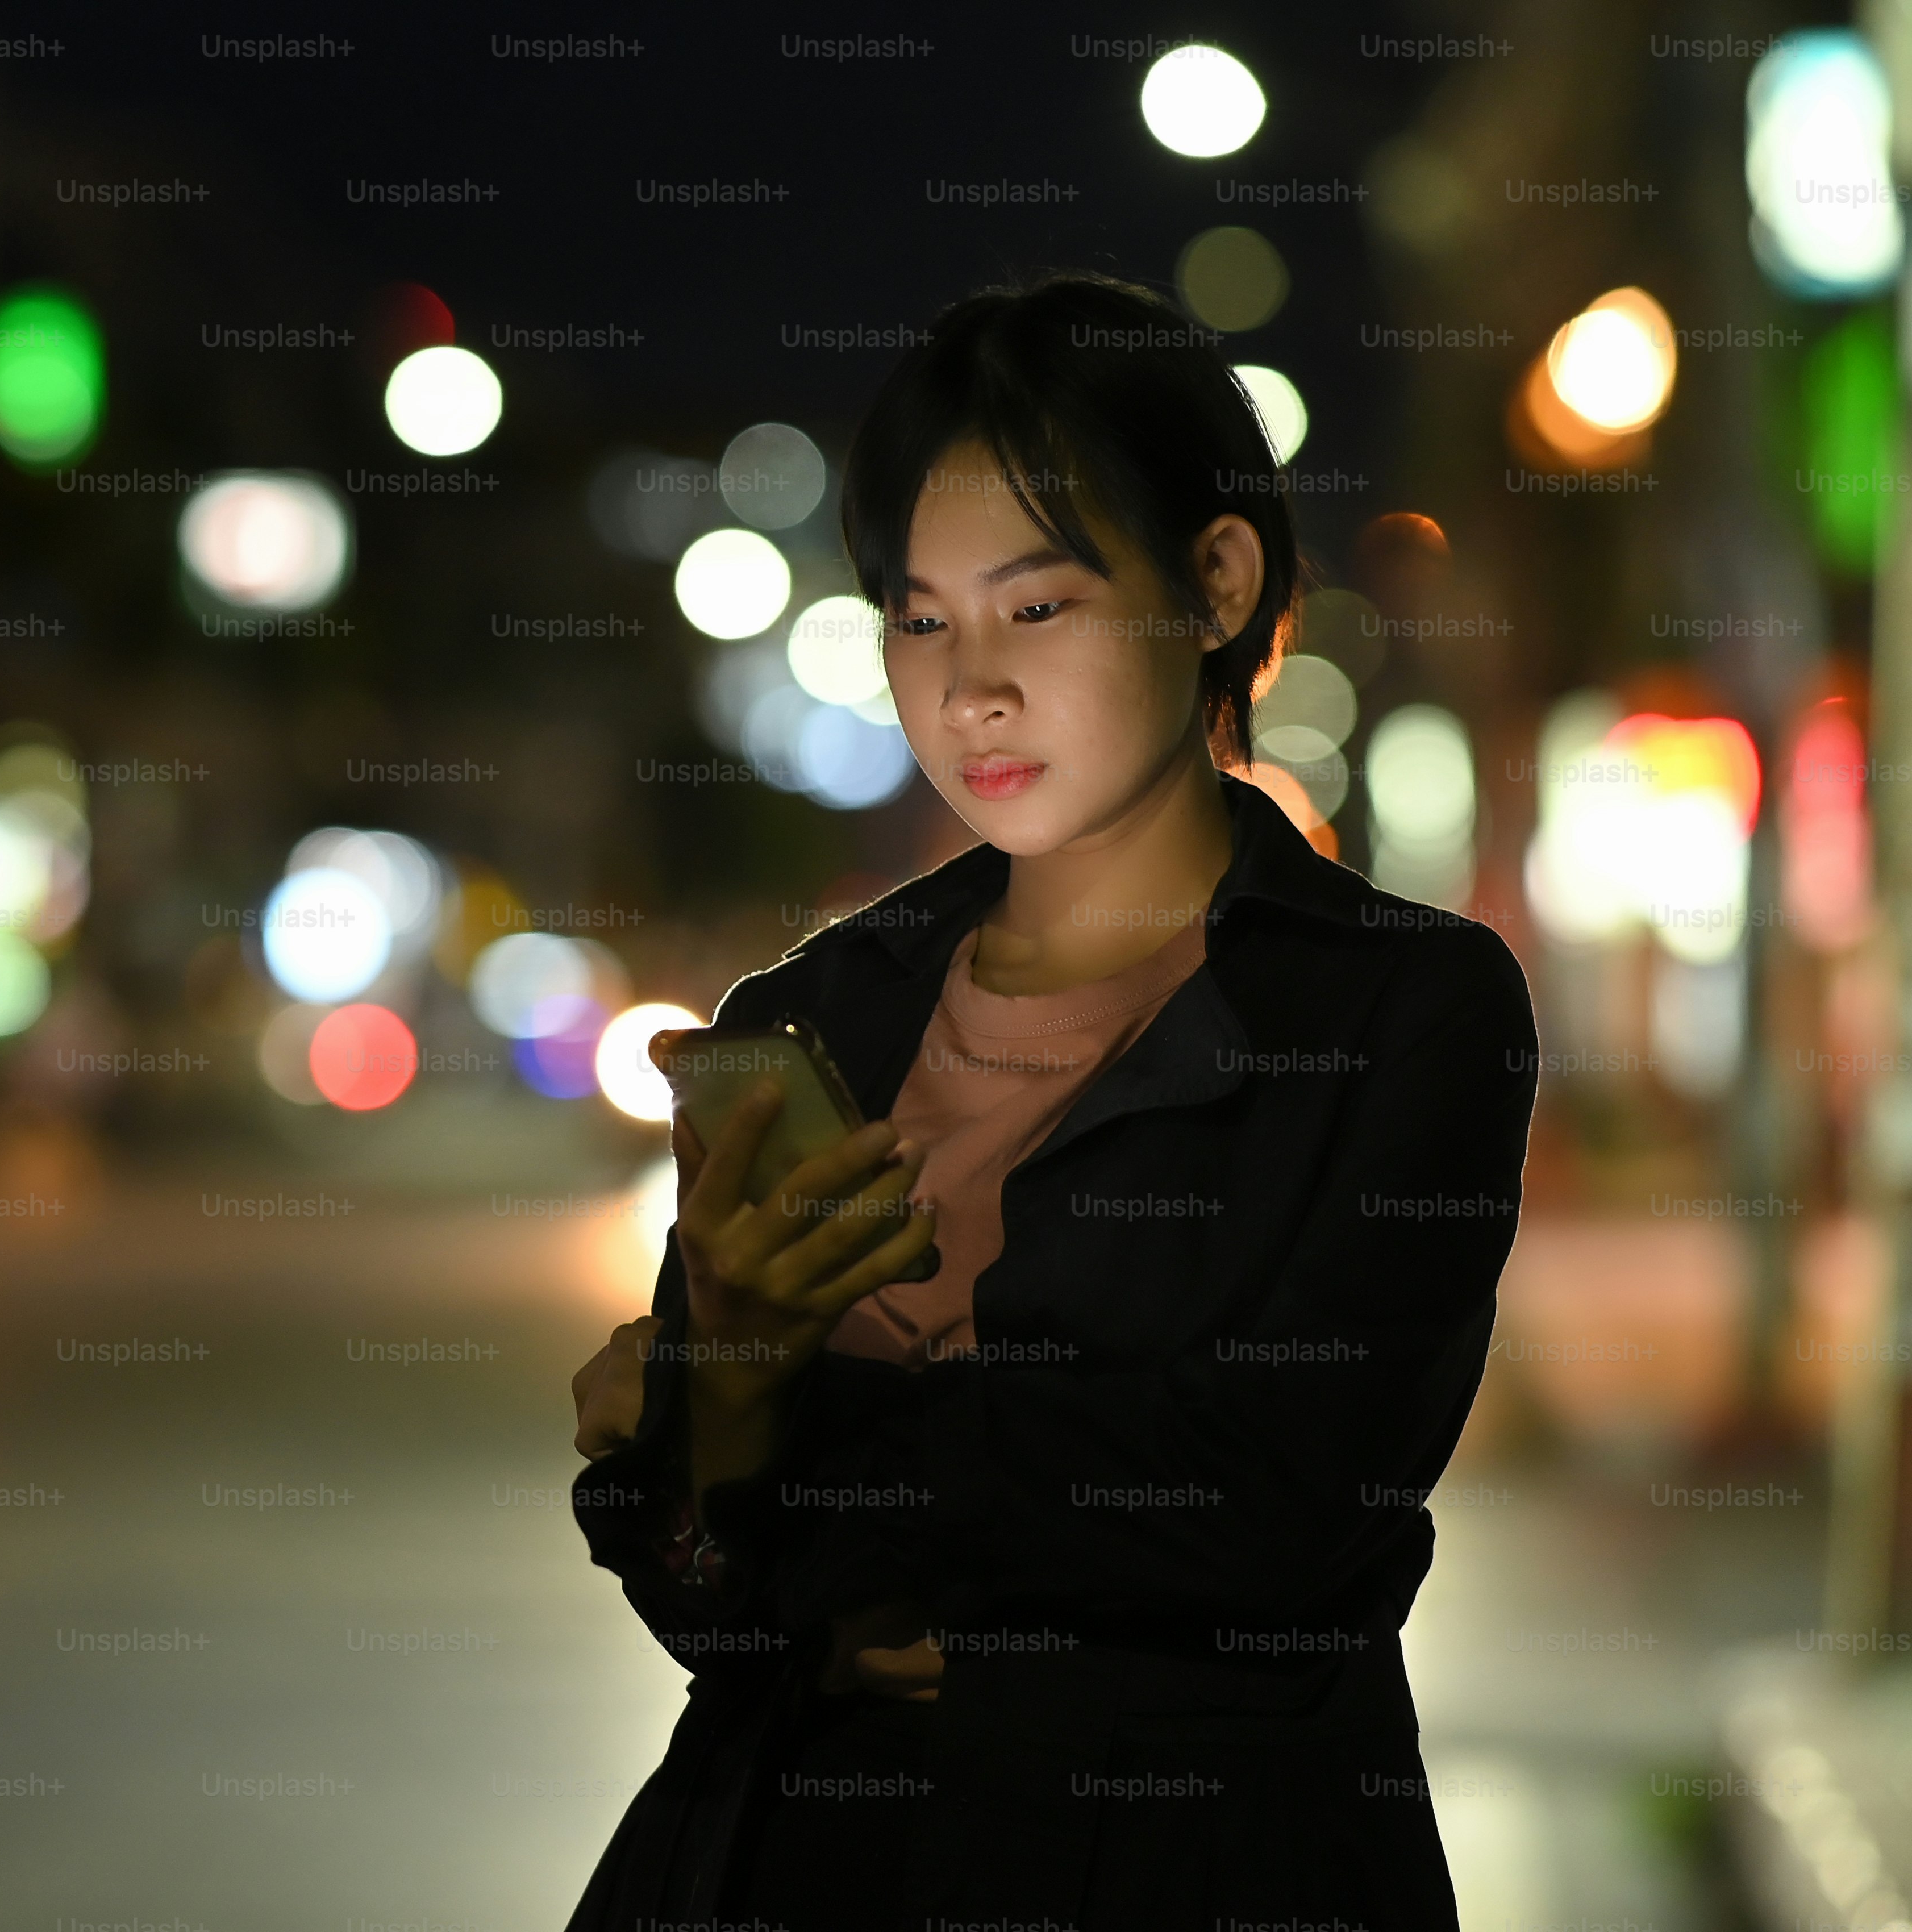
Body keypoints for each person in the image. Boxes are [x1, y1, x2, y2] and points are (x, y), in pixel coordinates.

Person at [563, 270, 1538, 1930]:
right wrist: (723, 1373)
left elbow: (1279, 1504)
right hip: (779, 1865)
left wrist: (782, 1442)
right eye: (921, 617)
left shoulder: (1396, 1012)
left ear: (1215, 584)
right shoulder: (813, 1018)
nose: (970, 689)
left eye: (1040, 605)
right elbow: (708, 1604)